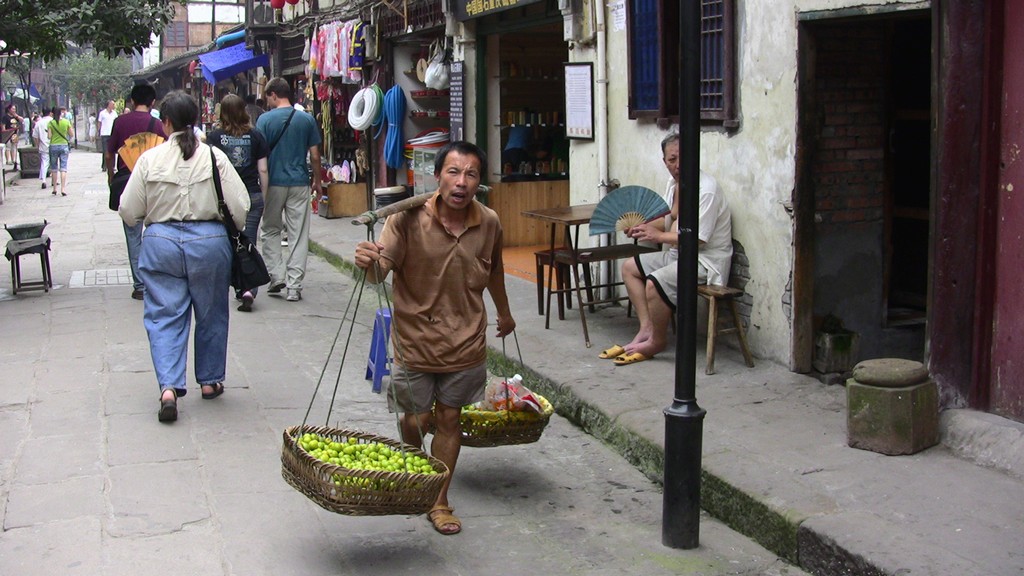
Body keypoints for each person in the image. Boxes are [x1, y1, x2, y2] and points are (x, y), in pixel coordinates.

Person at [353, 141, 517, 535]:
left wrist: (505, 312)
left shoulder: (489, 222)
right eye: (453, 172)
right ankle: (417, 465)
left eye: (471, 174)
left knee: (448, 418)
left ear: (479, 181)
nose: (462, 182)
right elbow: (379, 272)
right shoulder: (405, 219)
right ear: (438, 176)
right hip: (415, 339)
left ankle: (438, 500)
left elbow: (494, 270)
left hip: (465, 340)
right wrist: (367, 262)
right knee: (416, 419)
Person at [118, 90, 250, 423]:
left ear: (165, 123)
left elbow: (128, 211)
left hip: (161, 243)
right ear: (194, 120)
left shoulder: (149, 159)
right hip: (209, 242)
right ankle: (209, 381)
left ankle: (168, 388)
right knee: (211, 312)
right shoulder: (214, 157)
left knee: (164, 316)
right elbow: (241, 206)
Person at [600, 133, 732, 366]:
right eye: (672, 159)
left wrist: (658, 236)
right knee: (629, 268)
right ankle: (646, 328)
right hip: (678, 254)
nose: (678, 165)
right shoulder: (674, 184)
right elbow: (668, 218)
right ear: (665, 162)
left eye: (683, 158)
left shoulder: (706, 190)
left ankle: (657, 341)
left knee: (654, 282)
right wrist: (643, 227)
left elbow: (698, 239)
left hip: (704, 261)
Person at [255, 77, 322, 302]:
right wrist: (317, 181)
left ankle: (276, 276)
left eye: (267, 97)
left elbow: (260, 157)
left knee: (270, 229)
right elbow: (315, 156)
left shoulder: (264, 120)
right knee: (298, 234)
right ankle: (294, 286)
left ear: (274, 95)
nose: (267, 102)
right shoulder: (306, 119)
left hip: (273, 183)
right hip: (300, 182)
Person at [208, 93, 269, 312]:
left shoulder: (214, 137)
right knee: (248, 241)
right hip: (251, 194)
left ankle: (232, 284)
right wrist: (264, 196)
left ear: (222, 113)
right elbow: (263, 169)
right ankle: (248, 288)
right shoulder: (256, 135)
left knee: (227, 243)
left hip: (224, 199)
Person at [107, 83, 167, 300]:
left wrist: (111, 176)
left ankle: (139, 285)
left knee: (133, 235)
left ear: (132, 101)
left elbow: (109, 154)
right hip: (153, 183)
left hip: (126, 181)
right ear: (153, 102)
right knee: (156, 231)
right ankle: (156, 279)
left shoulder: (120, 122)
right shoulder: (158, 124)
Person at [47, 106, 74, 196]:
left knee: (54, 168)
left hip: (53, 146)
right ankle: (63, 189)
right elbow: (71, 134)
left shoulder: (51, 123)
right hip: (64, 146)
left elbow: (49, 136)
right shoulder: (66, 122)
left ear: (52, 113)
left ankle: (55, 188)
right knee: (63, 168)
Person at [31, 109, 51, 190]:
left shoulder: (38, 123)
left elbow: (35, 136)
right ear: (50, 113)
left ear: (42, 113)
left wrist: (37, 145)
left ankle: (44, 180)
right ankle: (54, 180)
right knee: (54, 163)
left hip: (43, 145)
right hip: (53, 144)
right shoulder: (53, 121)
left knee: (44, 163)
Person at [97, 100, 117, 170]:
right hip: (104, 134)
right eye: (113, 104)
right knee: (105, 151)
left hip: (112, 134)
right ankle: (105, 166)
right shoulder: (102, 113)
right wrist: (98, 131)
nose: (114, 106)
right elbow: (99, 123)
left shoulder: (114, 113)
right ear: (109, 105)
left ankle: (112, 166)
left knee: (112, 151)